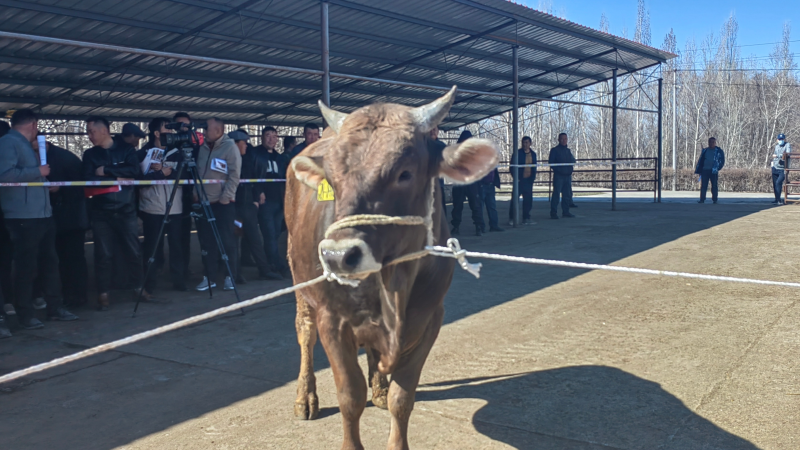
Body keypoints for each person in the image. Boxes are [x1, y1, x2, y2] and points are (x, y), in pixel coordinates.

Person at [0, 109, 77, 329]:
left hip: (42, 213)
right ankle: (25, 315)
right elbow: (5, 175)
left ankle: (55, 307)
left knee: (50, 263)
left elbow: (30, 176)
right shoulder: (8, 143)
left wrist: (46, 185)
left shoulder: (24, 145)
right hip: (23, 215)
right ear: (34, 124)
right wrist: (39, 172)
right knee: (26, 267)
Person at [82, 116, 143, 310]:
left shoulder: (126, 149)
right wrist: (117, 176)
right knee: (103, 254)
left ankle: (139, 287)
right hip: (101, 211)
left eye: (91, 131)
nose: (89, 136)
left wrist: (107, 170)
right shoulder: (90, 154)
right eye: (88, 132)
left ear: (104, 131)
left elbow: (135, 171)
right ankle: (103, 293)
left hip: (126, 209)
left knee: (134, 251)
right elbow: (88, 178)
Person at [38, 139, 90, 308]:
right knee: (60, 259)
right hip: (56, 216)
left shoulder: (65, 158)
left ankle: (78, 297)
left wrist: (60, 188)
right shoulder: (47, 157)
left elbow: (81, 186)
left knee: (73, 259)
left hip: (71, 217)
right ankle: (67, 295)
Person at [138, 117, 186, 294]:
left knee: (176, 245)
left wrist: (168, 172)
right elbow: (139, 180)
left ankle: (179, 279)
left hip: (175, 207)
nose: (171, 132)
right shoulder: (144, 153)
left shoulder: (178, 153)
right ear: (157, 133)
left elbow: (186, 175)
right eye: (168, 129)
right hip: (152, 207)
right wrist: (157, 174)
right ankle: (149, 282)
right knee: (152, 245)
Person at [195, 118, 241, 291]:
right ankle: (209, 277)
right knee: (207, 242)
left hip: (223, 203)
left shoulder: (230, 148)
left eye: (206, 128)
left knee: (227, 241)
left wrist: (226, 196)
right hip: (205, 202)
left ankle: (230, 276)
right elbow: (199, 172)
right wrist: (195, 193)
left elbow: (235, 175)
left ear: (218, 130)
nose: (204, 132)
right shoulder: (202, 148)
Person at [231, 130, 281, 281]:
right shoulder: (227, 160)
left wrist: (255, 198)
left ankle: (264, 269)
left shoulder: (247, 158)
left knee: (255, 238)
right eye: (244, 143)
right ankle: (235, 273)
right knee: (233, 238)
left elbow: (255, 178)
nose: (247, 145)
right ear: (235, 144)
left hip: (248, 206)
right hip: (232, 207)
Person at [253, 126, 290, 278]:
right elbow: (251, 175)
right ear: (262, 137)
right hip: (265, 202)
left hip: (279, 201)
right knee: (268, 234)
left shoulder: (280, 158)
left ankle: (270, 263)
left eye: (274, 136)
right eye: (268, 135)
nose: (271, 139)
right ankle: (278, 265)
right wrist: (258, 191)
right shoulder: (255, 154)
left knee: (274, 234)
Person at [450, 130, 485, 236]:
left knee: (476, 205)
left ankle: (479, 226)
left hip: (472, 182)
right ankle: (456, 226)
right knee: (457, 206)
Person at [173, 112, 195, 278]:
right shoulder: (169, 146)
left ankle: (186, 270)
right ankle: (177, 273)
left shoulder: (197, 147)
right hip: (173, 198)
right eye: (179, 125)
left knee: (186, 237)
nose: (183, 129)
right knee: (175, 237)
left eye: (186, 126)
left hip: (193, 195)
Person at [510, 136, 538, 225]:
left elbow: (534, 167)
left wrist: (532, 178)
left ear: (530, 143)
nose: (525, 145)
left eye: (527, 143)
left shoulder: (533, 154)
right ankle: (512, 218)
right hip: (519, 180)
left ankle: (526, 217)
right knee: (515, 200)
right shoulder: (517, 153)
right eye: (523, 143)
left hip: (528, 181)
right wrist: (516, 178)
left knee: (528, 200)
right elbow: (512, 167)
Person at [548, 133, 576, 219]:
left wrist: (570, 169)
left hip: (567, 176)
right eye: (562, 139)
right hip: (559, 176)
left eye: (565, 139)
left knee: (567, 195)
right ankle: (553, 212)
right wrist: (559, 170)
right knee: (556, 194)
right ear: (558, 140)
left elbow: (573, 161)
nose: (564, 141)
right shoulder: (554, 150)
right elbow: (551, 163)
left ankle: (566, 211)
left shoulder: (568, 151)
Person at [694, 137, 725, 204]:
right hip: (705, 170)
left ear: (715, 143)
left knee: (714, 185)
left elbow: (722, 161)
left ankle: (715, 199)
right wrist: (700, 170)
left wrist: (717, 167)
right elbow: (701, 161)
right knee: (704, 186)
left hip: (713, 171)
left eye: (713, 142)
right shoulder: (705, 151)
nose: (711, 143)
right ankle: (702, 199)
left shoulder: (719, 151)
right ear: (708, 143)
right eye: (710, 142)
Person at [429, 125, 448, 215]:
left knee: (440, 212)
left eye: (434, 129)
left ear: (438, 131)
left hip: (438, 185)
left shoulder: (442, 146)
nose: (432, 131)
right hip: (422, 186)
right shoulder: (419, 145)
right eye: (430, 129)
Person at [480, 167, 503, 232]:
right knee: (480, 207)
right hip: (482, 185)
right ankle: (481, 227)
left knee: (492, 206)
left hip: (490, 184)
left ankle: (493, 225)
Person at [771, 133, 791, 205]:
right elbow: (774, 155)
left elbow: (788, 154)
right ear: (777, 140)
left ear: (784, 139)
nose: (780, 140)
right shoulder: (776, 146)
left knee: (778, 183)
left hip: (783, 168)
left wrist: (778, 156)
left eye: (782, 139)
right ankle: (777, 199)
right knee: (775, 184)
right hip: (775, 167)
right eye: (779, 139)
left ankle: (779, 200)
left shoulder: (787, 145)